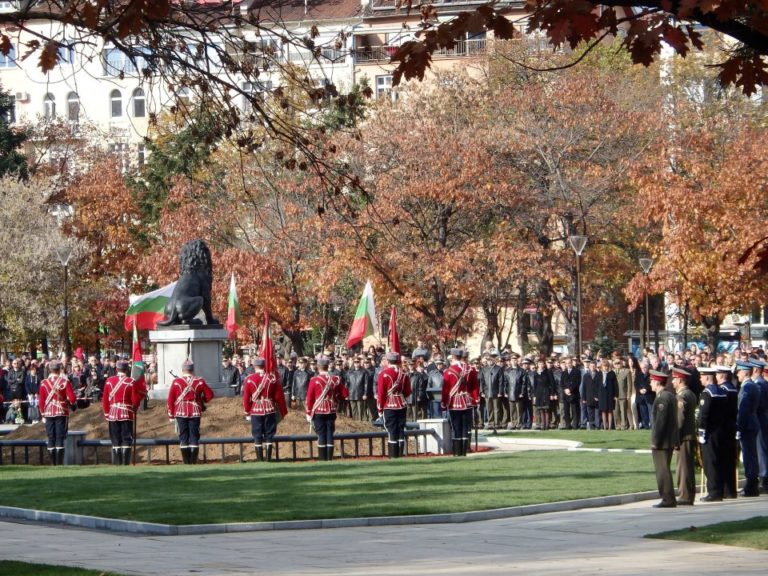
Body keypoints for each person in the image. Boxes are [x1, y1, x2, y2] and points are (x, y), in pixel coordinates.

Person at [166, 359, 214, 464]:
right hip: (195, 411)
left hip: (180, 412)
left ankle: (186, 462)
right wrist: (201, 400)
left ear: (182, 370)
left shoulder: (176, 382)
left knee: (183, 436)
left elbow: (170, 400)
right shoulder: (199, 381)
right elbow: (210, 395)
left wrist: (171, 414)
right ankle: (193, 461)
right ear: (192, 370)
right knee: (194, 436)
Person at [102, 360, 147, 465]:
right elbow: (135, 400)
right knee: (126, 439)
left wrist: (107, 414)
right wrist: (140, 397)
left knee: (115, 439)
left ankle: (118, 464)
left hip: (113, 414)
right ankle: (125, 464)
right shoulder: (131, 382)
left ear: (116, 369)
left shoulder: (109, 381)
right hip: (126, 413)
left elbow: (105, 400)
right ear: (127, 370)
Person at [242, 357, 288, 462]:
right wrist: (281, 408)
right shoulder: (271, 379)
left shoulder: (249, 379)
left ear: (254, 366)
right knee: (269, 434)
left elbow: (246, 398)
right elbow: (278, 396)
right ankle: (268, 459)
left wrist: (247, 412)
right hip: (269, 409)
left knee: (257, 435)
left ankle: (260, 460)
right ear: (264, 366)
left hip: (256, 409)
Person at [305, 356, 348, 461]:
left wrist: (308, 412)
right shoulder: (335, 379)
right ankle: (329, 458)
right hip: (331, 410)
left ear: (318, 367)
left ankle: (322, 458)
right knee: (329, 434)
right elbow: (345, 394)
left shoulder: (314, 380)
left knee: (321, 434)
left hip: (318, 410)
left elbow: (310, 398)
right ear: (327, 366)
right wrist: (336, 397)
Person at [698, 366, 728, 501]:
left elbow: (704, 414)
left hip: (710, 432)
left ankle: (713, 491)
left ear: (707, 377)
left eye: (701, 376)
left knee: (710, 462)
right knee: (720, 460)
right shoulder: (721, 391)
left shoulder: (707, 393)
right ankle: (719, 490)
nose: (700, 379)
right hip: (721, 430)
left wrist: (701, 431)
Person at [441, 348, 479, 456]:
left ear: (452, 357)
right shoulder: (470, 369)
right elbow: (474, 387)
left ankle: (457, 452)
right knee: (465, 427)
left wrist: (444, 403)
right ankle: (464, 452)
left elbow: (445, 390)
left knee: (456, 427)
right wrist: (475, 400)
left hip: (454, 402)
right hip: (467, 401)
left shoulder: (448, 371)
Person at [38, 360, 77, 465]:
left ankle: (53, 464)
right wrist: (68, 401)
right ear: (60, 369)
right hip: (61, 411)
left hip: (48, 412)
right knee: (60, 437)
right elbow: (72, 398)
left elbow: (41, 401)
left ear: (49, 369)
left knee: (51, 437)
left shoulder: (44, 383)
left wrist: (42, 414)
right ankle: (59, 464)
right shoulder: (64, 382)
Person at [649, 369, 679, 507]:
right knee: (664, 468)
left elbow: (660, 422)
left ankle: (667, 498)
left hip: (662, 441)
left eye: (651, 381)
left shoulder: (662, 398)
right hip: (669, 439)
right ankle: (668, 498)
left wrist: (655, 441)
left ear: (656, 382)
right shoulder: (670, 395)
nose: (650, 384)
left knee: (662, 470)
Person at [377, 352, 412, 458]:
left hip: (389, 404)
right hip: (401, 403)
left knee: (391, 429)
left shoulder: (383, 373)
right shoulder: (404, 373)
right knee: (401, 429)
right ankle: (400, 454)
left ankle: (393, 455)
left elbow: (381, 393)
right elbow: (407, 391)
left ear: (387, 361)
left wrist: (379, 409)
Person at [735, 359, 761, 496]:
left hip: (747, 425)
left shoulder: (747, 387)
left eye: (738, 371)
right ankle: (752, 485)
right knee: (752, 455)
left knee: (748, 456)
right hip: (752, 423)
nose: (737, 374)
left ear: (744, 373)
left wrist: (739, 427)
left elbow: (743, 409)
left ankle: (751, 486)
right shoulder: (752, 385)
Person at [671, 366, 697, 505]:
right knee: (687, 466)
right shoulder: (690, 393)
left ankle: (685, 496)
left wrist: (675, 438)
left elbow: (679, 420)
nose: (672, 382)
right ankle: (688, 494)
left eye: (674, 379)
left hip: (684, 436)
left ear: (680, 380)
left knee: (683, 468)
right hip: (689, 435)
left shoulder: (682, 396)